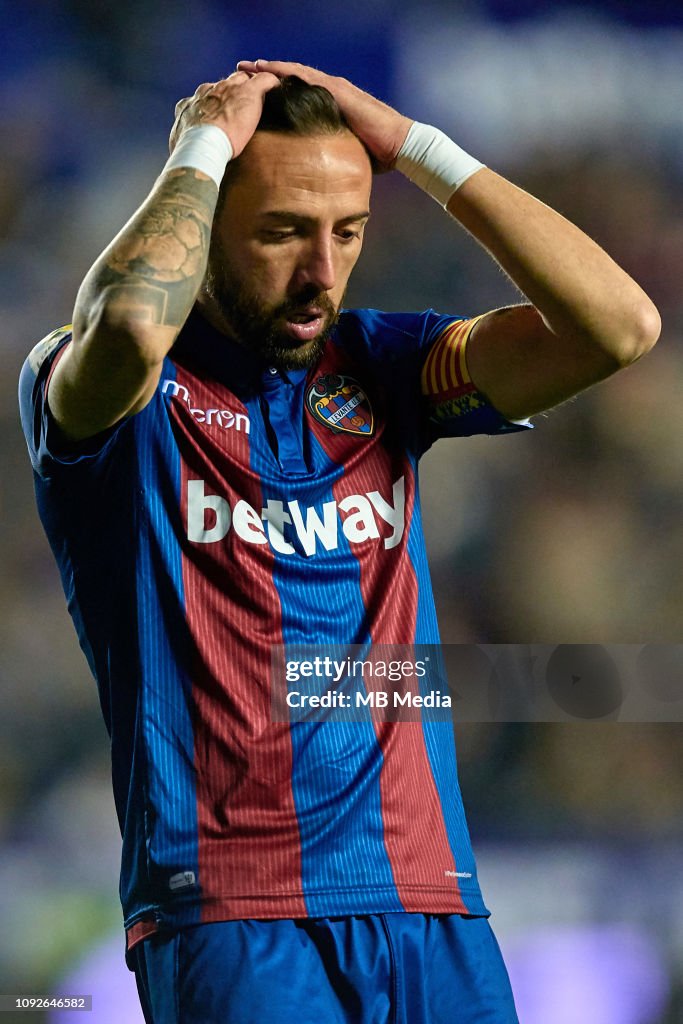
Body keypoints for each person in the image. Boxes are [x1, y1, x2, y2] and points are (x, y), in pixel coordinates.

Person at [19, 60, 659, 1024]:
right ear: (204, 227)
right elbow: (125, 324)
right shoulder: (116, 396)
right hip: (232, 915)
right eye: (281, 232)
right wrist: (200, 147)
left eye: (346, 232)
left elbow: (616, 327)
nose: (320, 270)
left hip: (430, 902)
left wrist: (417, 147)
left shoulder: (387, 369)